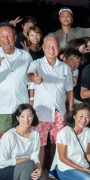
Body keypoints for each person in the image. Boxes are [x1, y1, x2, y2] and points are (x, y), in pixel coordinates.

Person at [27, 36, 74, 167]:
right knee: (40, 144)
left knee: (57, 144)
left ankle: (54, 170)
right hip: (41, 112)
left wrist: (70, 110)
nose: (51, 49)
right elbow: (29, 76)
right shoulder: (36, 64)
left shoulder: (65, 68)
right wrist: (33, 78)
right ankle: (38, 172)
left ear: (59, 48)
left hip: (59, 113)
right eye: (48, 46)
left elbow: (70, 90)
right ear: (43, 48)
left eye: (54, 46)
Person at [0, 22, 33, 138]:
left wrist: (31, 100)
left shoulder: (25, 56)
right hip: (2, 106)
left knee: (23, 135)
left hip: (22, 104)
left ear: (15, 37)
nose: (6, 39)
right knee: (4, 138)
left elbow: (30, 80)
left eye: (9, 35)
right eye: (2, 36)